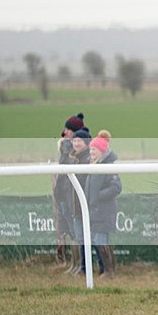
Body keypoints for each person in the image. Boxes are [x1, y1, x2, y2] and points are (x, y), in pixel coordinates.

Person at [84, 130, 122, 277]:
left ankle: (109, 271)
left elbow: (116, 187)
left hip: (104, 210)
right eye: (91, 149)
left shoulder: (108, 166)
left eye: (94, 149)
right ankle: (108, 270)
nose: (91, 152)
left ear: (102, 150)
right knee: (99, 240)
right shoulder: (94, 164)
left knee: (101, 240)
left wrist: (97, 196)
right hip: (96, 210)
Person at [53, 113, 86, 269]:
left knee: (77, 234)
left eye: (68, 129)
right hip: (63, 197)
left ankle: (80, 265)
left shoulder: (75, 153)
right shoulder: (64, 151)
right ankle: (75, 264)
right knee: (71, 233)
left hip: (72, 198)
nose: (64, 132)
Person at [69, 127, 93, 274]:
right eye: (75, 140)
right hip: (75, 206)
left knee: (86, 238)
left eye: (79, 141)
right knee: (79, 238)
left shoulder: (86, 160)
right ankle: (81, 266)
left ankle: (85, 268)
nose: (76, 144)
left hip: (84, 206)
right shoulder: (74, 159)